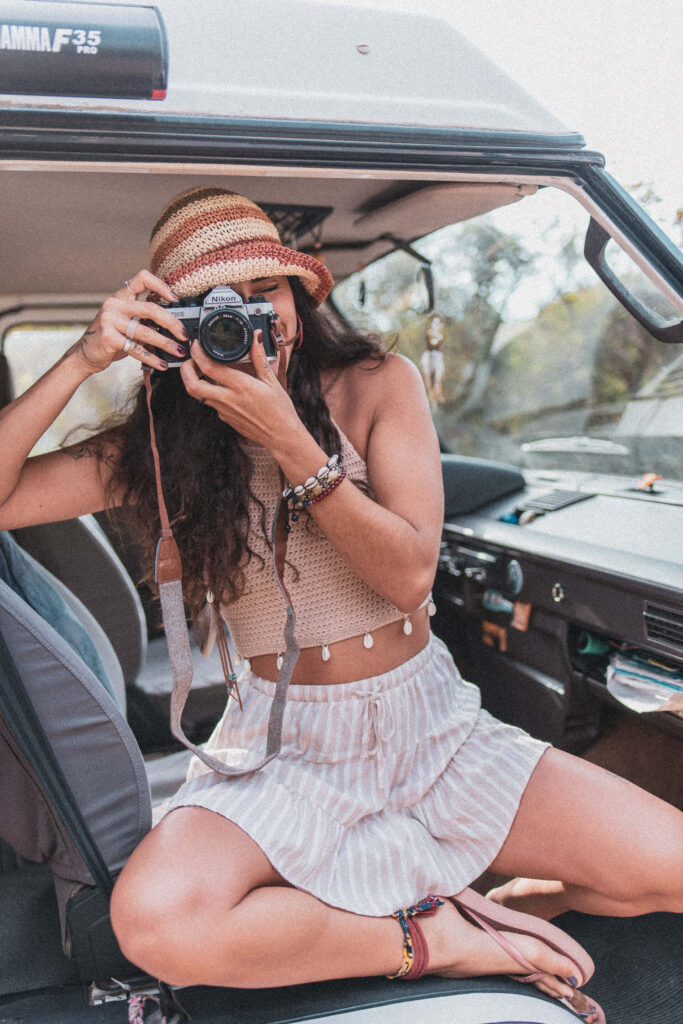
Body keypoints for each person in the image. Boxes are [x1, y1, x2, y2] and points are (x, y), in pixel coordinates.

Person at [1, 186, 681, 1023]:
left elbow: (406, 578)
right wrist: (80, 360)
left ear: (298, 299)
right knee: (155, 921)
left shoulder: (375, 383)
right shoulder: (160, 443)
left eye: (264, 296)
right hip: (282, 748)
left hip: (431, 728)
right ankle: (434, 937)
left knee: (670, 866)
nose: (249, 321)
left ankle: (519, 903)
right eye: (214, 308)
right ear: (171, 331)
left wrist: (289, 436)